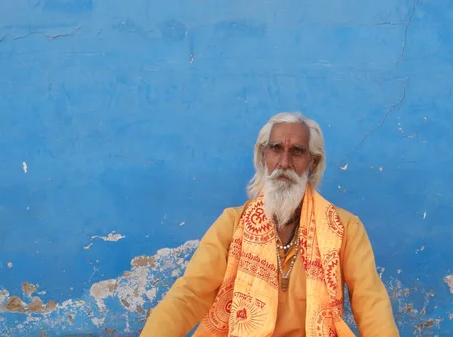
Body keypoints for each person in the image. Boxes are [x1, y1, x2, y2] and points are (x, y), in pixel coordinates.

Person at [140, 112, 399, 337]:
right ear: (263, 157)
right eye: (276, 149)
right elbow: (191, 293)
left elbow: (370, 302)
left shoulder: (345, 228)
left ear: (313, 162)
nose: (284, 163)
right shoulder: (232, 223)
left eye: (297, 151)